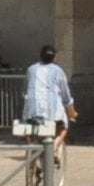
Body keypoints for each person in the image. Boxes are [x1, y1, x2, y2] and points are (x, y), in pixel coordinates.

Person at [21, 42, 76, 173]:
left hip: (32, 110)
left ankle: (32, 147)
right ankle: (52, 149)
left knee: (30, 129)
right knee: (63, 128)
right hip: (53, 112)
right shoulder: (58, 71)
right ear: (54, 58)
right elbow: (66, 95)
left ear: (40, 56)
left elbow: (24, 90)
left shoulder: (31, 69)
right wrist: (72, 112)